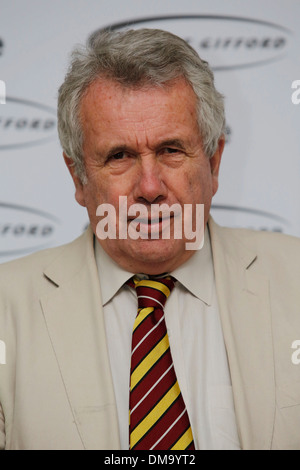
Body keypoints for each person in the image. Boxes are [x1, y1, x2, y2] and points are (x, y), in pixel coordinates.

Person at [0, 28, 300, 451]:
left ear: (214, 164)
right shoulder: (5, 308)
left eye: (171, 150)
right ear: (78, 178)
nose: (150, 186)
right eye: (119, 156)